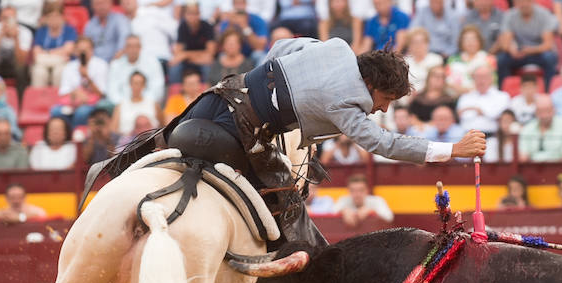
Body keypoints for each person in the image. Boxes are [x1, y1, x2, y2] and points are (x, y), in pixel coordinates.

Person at [92, 38, 487, 206]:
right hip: (238, 134)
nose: (382, 109)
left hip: (218, 97)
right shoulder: (346, 104)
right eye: (384, 99)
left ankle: (114, 173)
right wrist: (451, 150)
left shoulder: (336, 48)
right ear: (370, 84)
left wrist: (275, 87)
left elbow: (282, 48)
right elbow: (384, 143)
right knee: (284, 206)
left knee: (162, 142)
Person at [51, 37, 110, 128]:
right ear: (76, 51)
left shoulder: (101, 65)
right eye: (80, 50)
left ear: (92, 50)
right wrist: (75, 93)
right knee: (56, 111)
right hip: (72, 102)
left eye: (86, 50)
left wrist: (87, 77)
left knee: (82, 112)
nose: (83, 53)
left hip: (92, 103)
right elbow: (63, 93)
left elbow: (102, 94)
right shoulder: (69, 67)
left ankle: (77, 136)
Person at [496, 0, 559, 85]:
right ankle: (504, 90)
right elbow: (505, 43)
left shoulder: (544, 14)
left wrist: (530, 50)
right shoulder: (510, 15)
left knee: (550, 58)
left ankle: (549, 90)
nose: (524, 4)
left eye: (527, 1)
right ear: (515, 3)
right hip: (519, 53)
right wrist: (512, 49)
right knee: (502, 59)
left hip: (538, 52)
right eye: (521, 2)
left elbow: (548, 45)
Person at [0, 5, 33, 91]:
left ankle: (21, 102)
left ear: (16, 19)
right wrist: (0, 36)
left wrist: (16, 38)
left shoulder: (25, 32)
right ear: (0, 18)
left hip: (15, 67)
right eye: (4, 18)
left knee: (23, 71)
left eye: (10, 18)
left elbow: (21, 60)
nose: (7, 21)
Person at [107, 35, 165, 107]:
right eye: (129, 46)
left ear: (140, 48)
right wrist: (125, 104)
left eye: (136, 46)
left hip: (147, 105)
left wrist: (142, 102)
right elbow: (112, 90)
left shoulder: (153, 63)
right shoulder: (115, 65)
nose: (133, 49)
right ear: (125, 48)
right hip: (121, 106)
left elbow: (157, 88)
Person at [31, 2, 78, 88]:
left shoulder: (69, 30)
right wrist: (58, 52)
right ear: (46, 18)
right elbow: (36, 53)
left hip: (62, 63)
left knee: (59, 72)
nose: (53, 19)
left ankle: (59, 99)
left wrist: (46, 53)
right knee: (39, 72)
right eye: (50, 17)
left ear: (62, 17)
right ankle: (38, 100)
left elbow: (68, 50)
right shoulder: (41, 31)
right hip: (45, 63)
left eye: (56, 16)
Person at [456, 64, 510, 137]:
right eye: (477, 77)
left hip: (493, 137)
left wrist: (475, 110)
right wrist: (482, 112)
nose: (481, 80)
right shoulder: (465, 97)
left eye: (484, 77)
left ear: (492, 78)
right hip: (468, 138)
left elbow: (496, 115)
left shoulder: (502, 96)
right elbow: (463, 116)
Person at [518, 93, 562, 162]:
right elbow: (523, 157)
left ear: (554, 110)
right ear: (535, 112)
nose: (544, 115)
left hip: (559, 169)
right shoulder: (527, 129)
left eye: (547, 111)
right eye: (540, 111)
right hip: (532, 170)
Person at [169, 3, 217, 83]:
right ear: (185, 15)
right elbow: (178, 52)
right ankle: (175, 94)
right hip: (193, 59)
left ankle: (208, 93)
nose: (193, 17)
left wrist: (185, 55)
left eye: (195, 13)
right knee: (175, 67)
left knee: (207, 67)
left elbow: (210, 52)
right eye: (190, 13)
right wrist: (189, 56)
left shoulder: (207, 26)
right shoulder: (182, 26)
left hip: (200, 60)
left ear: (199, 14)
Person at [447, 26, 498, 96]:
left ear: (479, 41)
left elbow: (493, 82)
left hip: (481, 96)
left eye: (473, 39)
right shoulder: (453, 59)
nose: (470, 42)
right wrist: (462, 90)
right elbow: (447, 81)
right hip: (455, 96)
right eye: (466, 39)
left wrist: (470, 91)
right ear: (461, 42)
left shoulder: (489, 59)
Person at [111, 71, 161, 139]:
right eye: (135, 83)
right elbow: (113, 130)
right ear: (130, 84)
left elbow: (162, 125)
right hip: (127, 143)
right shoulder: (120, 106)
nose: (137, 86)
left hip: (150, 140)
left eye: (140, 83)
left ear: (144, 85)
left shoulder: (154, 104)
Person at [404, 28, 444, 92]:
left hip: (427, 95)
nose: (418, 45)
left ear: (427, 44)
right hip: (408, 95)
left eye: (422, 42)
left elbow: (437, 83)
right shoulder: (405, 62)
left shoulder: (436, 60)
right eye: (415, 42)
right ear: (409, 45)